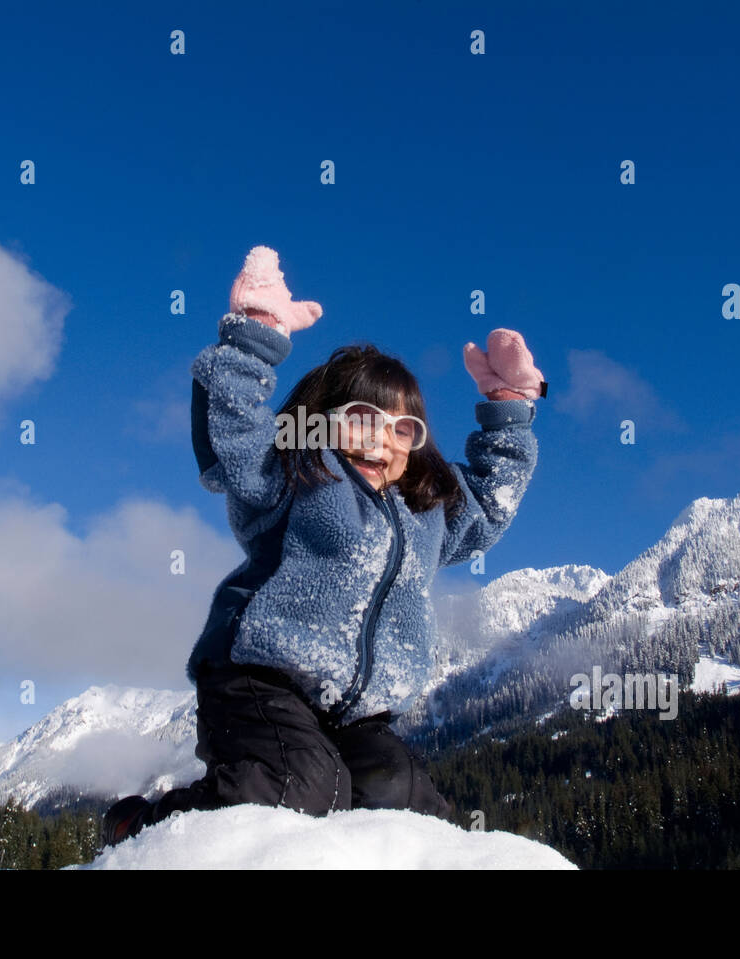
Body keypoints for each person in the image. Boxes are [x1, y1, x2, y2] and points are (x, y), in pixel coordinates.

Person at [102, 245, 545, 848]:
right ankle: (147, 829)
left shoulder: (426, 512)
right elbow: (232, 429)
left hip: (356, 710)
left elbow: (491, 503)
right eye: (363, 417)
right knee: (298, 787)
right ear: (320, 421)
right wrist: (257, 335)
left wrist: (510, 412)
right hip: (258, 681)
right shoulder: (295, 474)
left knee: (403, 803)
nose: (383, 441)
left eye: (403, 429)